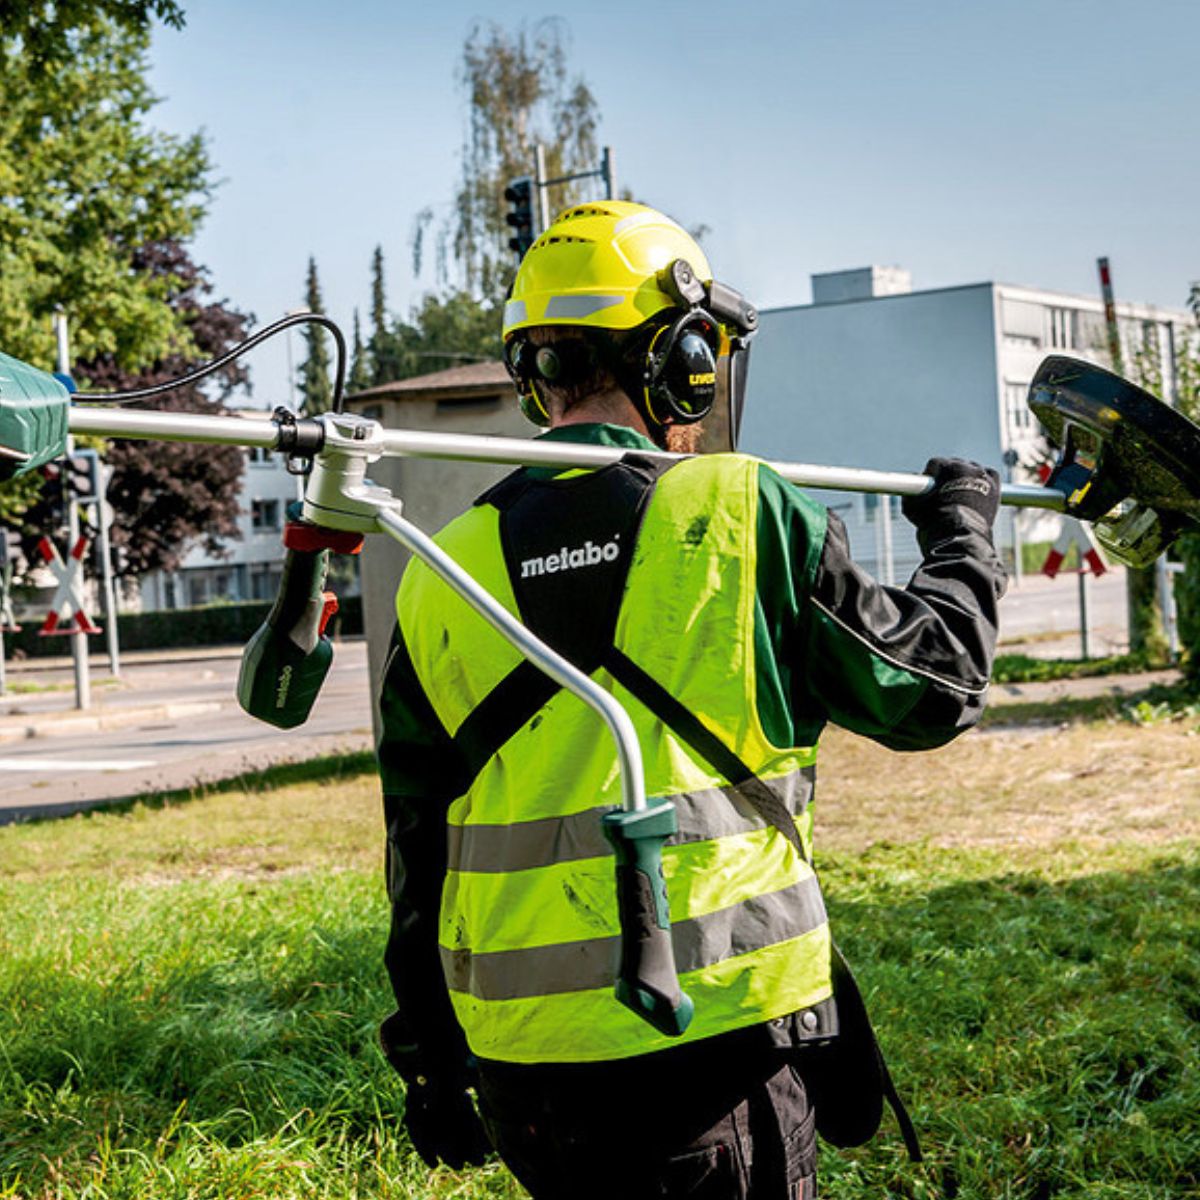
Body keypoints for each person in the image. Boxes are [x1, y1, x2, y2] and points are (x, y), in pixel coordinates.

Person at [376, 200, 1007, 1199]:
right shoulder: (743, 510)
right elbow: (936, 688)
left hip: (525, 1075)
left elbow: (417, 853)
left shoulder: (440, 572)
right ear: (684, 361)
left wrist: (429, 1060)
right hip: (709, 1049)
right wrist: (963, 540)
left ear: (535, 371)